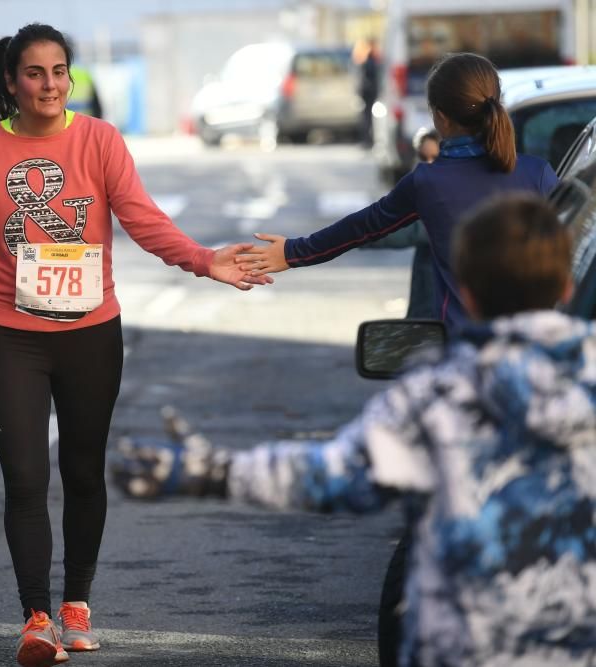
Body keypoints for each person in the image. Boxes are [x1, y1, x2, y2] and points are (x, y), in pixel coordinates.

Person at [111, 193, 596, 667]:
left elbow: (333, 476)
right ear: (566, 287)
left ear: (466, 289)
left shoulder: (439, 393)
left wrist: (213, 473)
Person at [0, 22, 267, 667]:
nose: (49, 85)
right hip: (8, 336)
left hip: (90, 335)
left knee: (81, 471)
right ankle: (36, 621)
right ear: (11, 82)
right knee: (24, 478)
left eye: (58, 72)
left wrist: (203, 259)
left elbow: (142, 219)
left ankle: (76, 604)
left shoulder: (100, 141)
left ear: (69, 77)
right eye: (34, 73)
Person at [241, 52, 559, 331]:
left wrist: (292, 252)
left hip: (464, 352)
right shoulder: (539, 173)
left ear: (440, 118)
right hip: (542, 347)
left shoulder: (427, 182)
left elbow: (361, 228)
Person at [365, 128, 441, 320]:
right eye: (424, 158)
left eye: (436, 158)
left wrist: (352, 236)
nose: (429, 165)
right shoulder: (425, 196)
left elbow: (408, 230)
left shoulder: (452, 202)